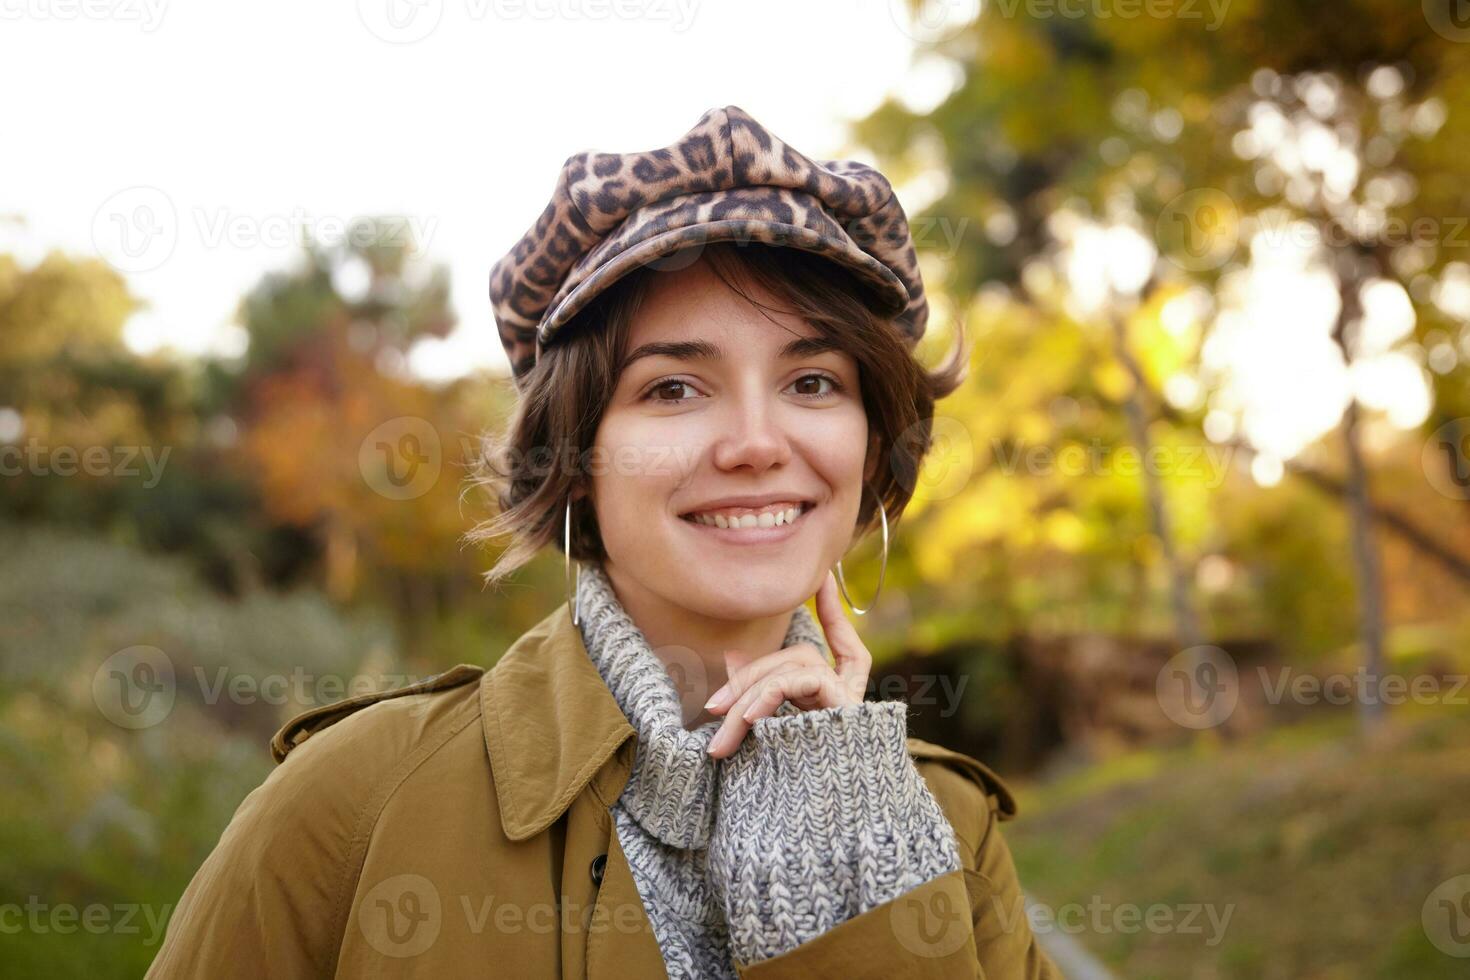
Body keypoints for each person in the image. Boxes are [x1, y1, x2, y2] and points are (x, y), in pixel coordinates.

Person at [146, 105, 1060, 978]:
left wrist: (842, 844)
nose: (755, 443)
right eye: (673, 389)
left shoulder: (942, 823)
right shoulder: (356, 802)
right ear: (574, 452)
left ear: (872, 438)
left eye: (813, 381)